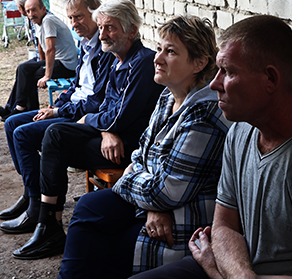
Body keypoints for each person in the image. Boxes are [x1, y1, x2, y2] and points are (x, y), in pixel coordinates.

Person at [130, 15, 292, 279]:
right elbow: (224, 226)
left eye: (228, 72)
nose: (214, 84)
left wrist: (222, 273)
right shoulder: (241, 130)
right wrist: (241, 275)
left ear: (270, 78)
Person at [56, 15, 232, 279]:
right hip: (156, 203)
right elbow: (141, 153)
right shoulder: (167, 96)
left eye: (170, 52)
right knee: (89, 208)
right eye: (159, 48)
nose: (157, 58)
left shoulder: (203, 114)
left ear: (199, 63)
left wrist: (133, 186)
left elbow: (167, 192)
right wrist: (150, 203)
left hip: (183, 220)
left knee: (105, 248)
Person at [11, 0, 165, 260]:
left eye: (110, 28)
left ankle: (48, 224)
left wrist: (91, 121)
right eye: (102, 27)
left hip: (129, 147)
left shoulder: (142, 61)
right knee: (53, 138)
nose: (103, 34)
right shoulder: (118, 58)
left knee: (56, 137)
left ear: (132, 31)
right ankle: (47, 222)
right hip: (112, 136)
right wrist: (102, 126)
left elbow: (119, 116)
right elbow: (106, 108)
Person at [0, 0, 109, 236]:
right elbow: (78, 86)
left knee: (23, 135)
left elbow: (95, 100)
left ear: (96, 13)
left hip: (79, 115)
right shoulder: (87, 45)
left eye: (79, 17)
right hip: (72, 107)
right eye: (71, 18)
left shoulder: (104, 48)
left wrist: (58, 109)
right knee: (12, 124)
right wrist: (57, 103)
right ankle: (30, 192)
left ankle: (37, 205)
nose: (74, 23)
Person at [0, 0, 78, 121]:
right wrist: (40, 63)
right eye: (28, 11)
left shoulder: (48, 20)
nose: (31, 14)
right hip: (57, 61)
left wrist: (47, 75)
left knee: (28, 72)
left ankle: (22, 109)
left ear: (43, 9)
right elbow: (42, 47)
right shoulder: (37, 21)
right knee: (24, 69)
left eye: (34, 10)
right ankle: (18, 108)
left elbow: (50, 49)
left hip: (67, 65)